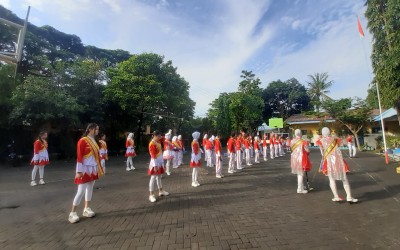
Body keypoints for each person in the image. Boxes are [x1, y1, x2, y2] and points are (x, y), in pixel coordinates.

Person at [68, 123, 104, 223]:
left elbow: (97, 157)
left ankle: (86, 208)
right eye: (97, 129)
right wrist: (79, 171)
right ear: (91, 129)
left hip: (93, 168)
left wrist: (99, 168)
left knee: (90, 189)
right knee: (81, 191)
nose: (98, 131)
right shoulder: (82, 141)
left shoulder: (95, 141)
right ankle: (72, 213)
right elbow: (79, 157)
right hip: (84, 169)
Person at [319, 127, 358, 203]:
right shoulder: (336, 139)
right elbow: (338, 147)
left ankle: (336, 197)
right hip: (338, 160)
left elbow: (322, 152)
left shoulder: (320, 141)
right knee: (344, 179)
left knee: (331, 179)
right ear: (330, 132)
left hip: (328, 161)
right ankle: (349, 197)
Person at [148, 130, 169, 202]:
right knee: (153, 178)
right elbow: (153, 155)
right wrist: (155, 165)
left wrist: (162, 164)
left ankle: (161, 191)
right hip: (155, 163)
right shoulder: (152, 143)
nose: (160, 137)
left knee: (159, 177)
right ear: (155, 136)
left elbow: (164, 138)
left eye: (160, 136)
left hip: (159, 162)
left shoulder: (158, 141)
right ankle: (151, 195)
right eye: (159, 136)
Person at [290, 129, 312, 194]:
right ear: (300, 134)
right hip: (301, 159)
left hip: (294, 159)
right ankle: (299, 189)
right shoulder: (303, 141)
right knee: (301, 174)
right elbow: (307, 150)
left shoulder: (292, 141)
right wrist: (307, 153)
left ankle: (301, 186)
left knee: (298, 173)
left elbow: (292, 149)